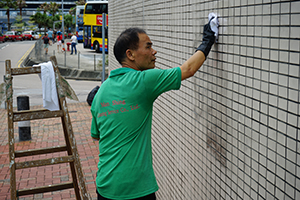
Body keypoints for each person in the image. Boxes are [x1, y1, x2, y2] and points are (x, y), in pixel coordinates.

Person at [90, 18, 217, 200]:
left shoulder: (101, 92)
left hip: (105, 187)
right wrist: (207, 40)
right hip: (136, 188)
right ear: (131, 54)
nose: (154, 51)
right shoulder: (143, 81)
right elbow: (188, 69)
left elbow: (97, 135)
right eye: (148, 47)